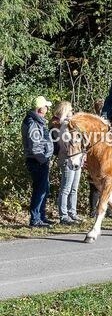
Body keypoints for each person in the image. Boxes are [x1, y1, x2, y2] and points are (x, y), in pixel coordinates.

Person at [22, 96, 54, 227]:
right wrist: (44, 160)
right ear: (41, 109)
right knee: (39, 190)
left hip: (40, 161)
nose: (47, 108)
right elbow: (35, 147)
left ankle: (41, 216)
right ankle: (35, 219)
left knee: (44, 189)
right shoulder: (33, 123)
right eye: (46, 106)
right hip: (37, 161)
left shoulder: (37, 121)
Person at [51, 101, 83, 225]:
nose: (72, 112)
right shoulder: (60, 125)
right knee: (66, 188)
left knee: (74, 188)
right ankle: (63, 215)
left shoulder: (71, 124)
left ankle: (72, 213)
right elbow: (66, 144)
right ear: (65, 111)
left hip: (77, 158)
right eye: (70, 110)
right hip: (67, 159)